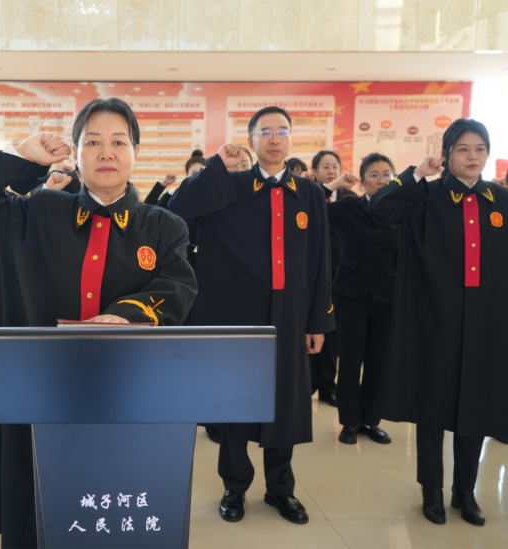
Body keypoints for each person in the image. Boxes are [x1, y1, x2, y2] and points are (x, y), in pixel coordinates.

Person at [0, 98, 197, 548]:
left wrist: (126, 314)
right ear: (76, 154)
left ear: (136, 152)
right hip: (40, 399)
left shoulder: (164, 227)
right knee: (39, 509)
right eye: (92, 142)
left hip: (124, 398)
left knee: (112, 510)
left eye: (119, 142)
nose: (106, 153)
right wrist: (21, 156)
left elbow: (177, 285)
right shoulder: (36, 213)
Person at [170, 106, 333, 526]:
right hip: (237, 317)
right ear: (251, 140)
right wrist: (215, 168)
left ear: (291, 138)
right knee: (236, 403)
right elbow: (179, 208)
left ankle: (281, 488)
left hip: (291, 316)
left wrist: (318, 321)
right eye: (266, 132)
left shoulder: (310, 193)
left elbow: (320, 260)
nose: (275, 138)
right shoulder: (231, 186)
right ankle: (235, 486)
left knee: (285, 403)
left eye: (282, 131)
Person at [370, 118, 508, 527]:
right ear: (447, 154)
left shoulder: (500, 200)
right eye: (463, 149)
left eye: (479, 149)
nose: (472, 157)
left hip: (486, 322)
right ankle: (431, 489)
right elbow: (380, 208)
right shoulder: (425, 194)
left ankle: (464, 491)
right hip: (433, 320)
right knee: (431, 406)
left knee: (476, 406)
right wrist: (415, 174)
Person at [321, 154, 398, 445]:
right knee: (351, 361)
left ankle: (370, 421)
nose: (381, 180)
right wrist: (334, 185)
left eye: (386, 175)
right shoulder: (349, 206)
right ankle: (349, 422)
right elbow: (314, 209)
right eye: (374, 175)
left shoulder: (403, 210)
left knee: (378, 363)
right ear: (363, 180)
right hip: (351, 294)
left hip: (387, 295)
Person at [306, 150, 354, 407]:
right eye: (325, 166)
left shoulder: (349, 198)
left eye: (335, 165)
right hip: (312, 273)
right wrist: (331, 186)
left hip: (339, 274)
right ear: (314, 171)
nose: (332, 170)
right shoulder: (308, 194)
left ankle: (327, 386)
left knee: (332, 332)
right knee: (310, 329)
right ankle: (307, 384)